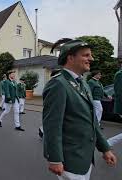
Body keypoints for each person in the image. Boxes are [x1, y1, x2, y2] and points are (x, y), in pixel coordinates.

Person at [43, 38, 116, 180]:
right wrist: (55, 159)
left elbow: (92, 121)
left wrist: (105, 148)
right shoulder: (58, 84)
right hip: (70, 159)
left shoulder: (82, 82)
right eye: (86, 55)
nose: (91, 59)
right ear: (70, 57)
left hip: (85, 158)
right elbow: (52, 126)